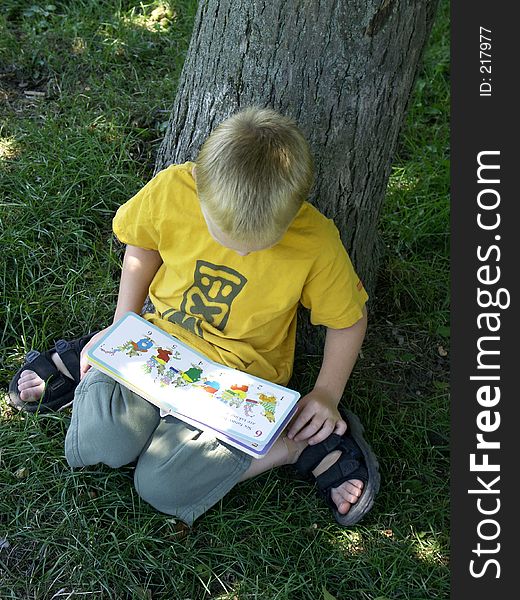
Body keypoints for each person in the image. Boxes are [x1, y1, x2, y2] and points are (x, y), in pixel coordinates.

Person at [9, 107, 380, 527]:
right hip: (154, 344)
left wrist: (327, 393)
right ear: (198, 188)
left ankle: (294, 444)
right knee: (102, 444)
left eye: (258, 246)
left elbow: (348, 318)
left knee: (162, 487)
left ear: (294, 214)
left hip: (239, 380)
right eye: (227, 238)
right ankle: (92, 351)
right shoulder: (174, 189)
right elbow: (142, 245)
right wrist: (122, 325)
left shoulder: (315, 240)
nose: (240, 254)